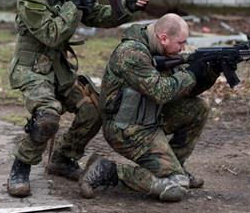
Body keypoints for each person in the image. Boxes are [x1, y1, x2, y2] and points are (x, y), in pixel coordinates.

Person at [6, 0, 150, 197]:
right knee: (48, 117)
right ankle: (21, 167)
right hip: (32, 70)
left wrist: (128, 7)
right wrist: (76, 4)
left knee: (94, 109)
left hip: (58, 69)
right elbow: (51, 34)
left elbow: (98, 17)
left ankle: (63, 158)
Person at [79, 13, 221, 202]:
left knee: (198, 107)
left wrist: (210, 72)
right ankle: (109, 170)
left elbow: (184, 91)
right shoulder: (131, 53)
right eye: (181, 43)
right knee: (176, 188)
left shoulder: (163, 50)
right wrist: (192, 73)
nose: (183, 48)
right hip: (127, 129)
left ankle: (174, 166)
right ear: (163, 38)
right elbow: (159, 91)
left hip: (151, 118)